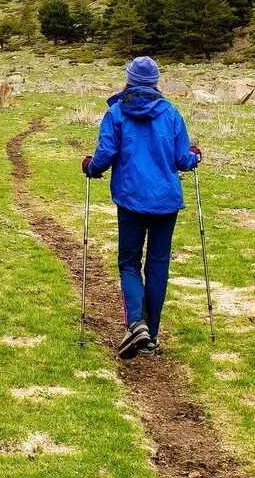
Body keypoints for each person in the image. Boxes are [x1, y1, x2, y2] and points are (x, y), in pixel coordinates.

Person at [82, 56, 201, 359]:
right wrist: (196, 155)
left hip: (131, 200)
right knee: (158, 265)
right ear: (156, 81)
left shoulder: (116, 112)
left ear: (129, 79)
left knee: (129, 263)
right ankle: (150, 336)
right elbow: (182, 160)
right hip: (166, 202)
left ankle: (136, 323)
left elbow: (105, 154)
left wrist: (91, 168)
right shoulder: (171, 113)